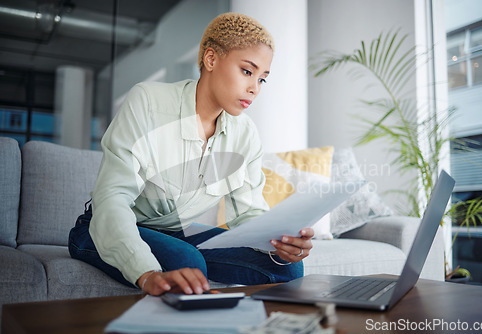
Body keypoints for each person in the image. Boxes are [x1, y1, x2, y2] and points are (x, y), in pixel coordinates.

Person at [68, 12, 314, 297]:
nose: (254, 88)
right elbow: (112, 199)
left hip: (175, 234)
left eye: (262, 79)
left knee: (287, 268)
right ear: (211, 59)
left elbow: (247, 213)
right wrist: (146, 272)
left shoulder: (245, 133)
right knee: (187, 262)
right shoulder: (147, 101)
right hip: (104, 228)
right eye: (247, 71)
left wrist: (280, 244)